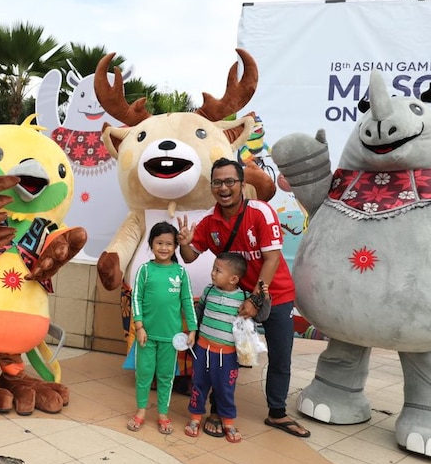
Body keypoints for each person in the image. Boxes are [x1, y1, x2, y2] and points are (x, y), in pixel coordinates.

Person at [178, 158, 311, 438]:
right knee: (222, 356)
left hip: (274, 295)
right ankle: (217, 410)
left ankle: (277, 413)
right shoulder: (209, 222)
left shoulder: (260, 212)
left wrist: (255, 299)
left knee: (280, 357)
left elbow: (272, 259)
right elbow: (190, 258)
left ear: (241, 184)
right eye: (217, 182)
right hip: (232, 302)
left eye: (230, 182)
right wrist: (184, 243)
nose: (223, 188)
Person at [127, 221, 197, 435]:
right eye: (159, 243)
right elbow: (135, 297)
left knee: (167, 376)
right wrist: (139, 326)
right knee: (144, 373)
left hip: (171, 337)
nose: (164, 248)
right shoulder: (144, 270)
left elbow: (187, 301)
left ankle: (163, 415)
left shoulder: (181, 273)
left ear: (175, 245)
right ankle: (140, 412)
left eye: (169, 243)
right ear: (151, 244)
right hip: (146, 335)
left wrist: (192, 330)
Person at [185, 252, 249, 442]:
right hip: (203, 350)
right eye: (213, 269)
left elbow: (258, 318)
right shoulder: (209, 291)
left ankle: (228, 421)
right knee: (198, 384)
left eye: (217, 270)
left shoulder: (243, 298)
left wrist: (265, 298)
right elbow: (199, 311)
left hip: (227, 355)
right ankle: (195, 418)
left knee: (225, 389)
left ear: (233, 278)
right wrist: (192, 330)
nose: (212, 273)